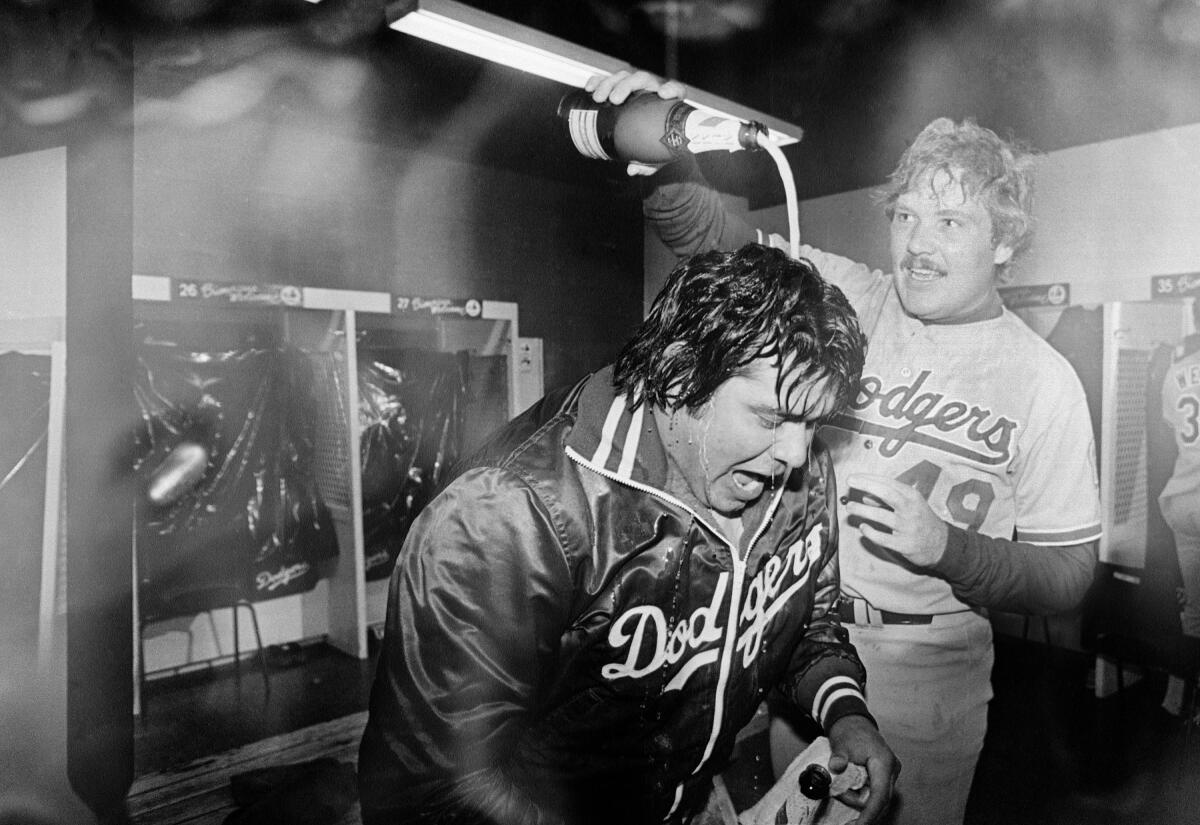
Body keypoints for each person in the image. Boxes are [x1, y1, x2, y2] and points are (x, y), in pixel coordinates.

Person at [585, 71, 1102, 825]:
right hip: (796, 646)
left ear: (1006, 242)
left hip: (928, 677)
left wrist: (950, 548)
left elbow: (1069, 573)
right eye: (905, 215)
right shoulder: (847, 296)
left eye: (951, 222)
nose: (918, 244)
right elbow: (709, 243)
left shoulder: (1045, 380)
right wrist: (667, 158)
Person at [357, 243, 898, 825]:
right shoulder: (507, 513)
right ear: (682, 372)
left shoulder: (802, 468)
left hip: (697, 796)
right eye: (770, 419)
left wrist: (848, 716)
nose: (795, 452)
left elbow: (806, 625)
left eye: (812, 422)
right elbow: (434, 788)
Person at [1156, 298, 1200, 718]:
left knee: (1194, 609)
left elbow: (1174, 430)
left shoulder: (1176, 369)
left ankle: (1175, 698)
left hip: (1184, 500)